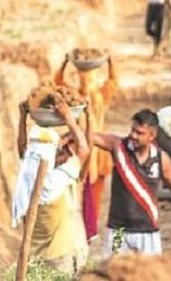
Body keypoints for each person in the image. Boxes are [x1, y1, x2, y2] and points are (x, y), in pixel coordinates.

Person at [91, 109, 171, 256]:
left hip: (148, 232)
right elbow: (91, 137)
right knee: (112, 270)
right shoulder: (118, 146)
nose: (133, 135)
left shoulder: (161, 159)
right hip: (118, 231)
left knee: (149, 270)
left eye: (139, 133)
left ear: (152, 135)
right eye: (132, 130)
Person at [11, 101, 90, 275]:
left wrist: (23, 118)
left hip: (34, 256)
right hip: (59, 258)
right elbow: (84, 150)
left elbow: (23, 151)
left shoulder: (27, 177)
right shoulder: (55, 181)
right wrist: (69, 118)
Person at [53, 54, 118, 241]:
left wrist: (110, 62)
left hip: (99, 152)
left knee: (94, 195)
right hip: (78, 149)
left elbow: (113, 82)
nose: (87, 83)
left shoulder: (100, 96)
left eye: (90, 79)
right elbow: (58, 83)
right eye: (84, 79)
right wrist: (64, 63)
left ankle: (89, 230)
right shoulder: (74, 97)